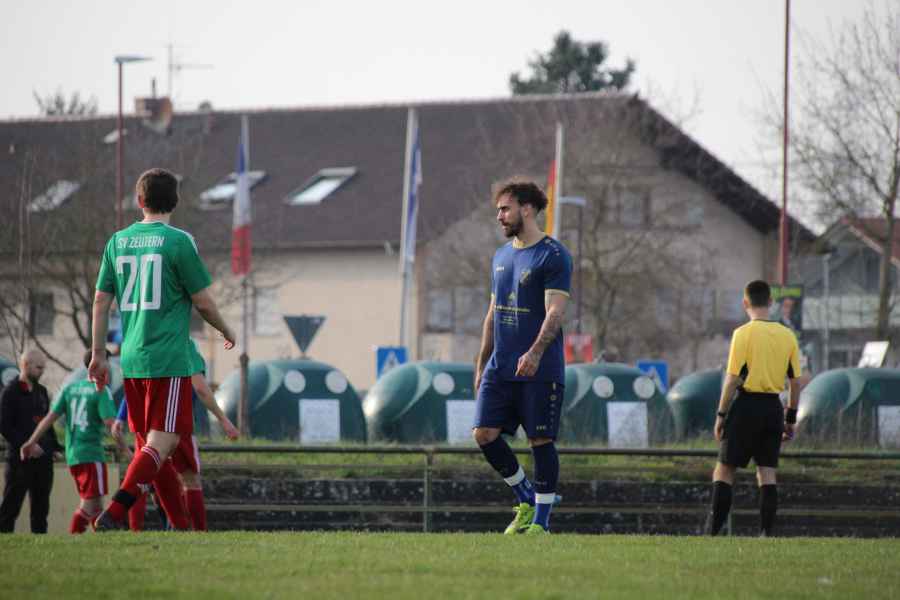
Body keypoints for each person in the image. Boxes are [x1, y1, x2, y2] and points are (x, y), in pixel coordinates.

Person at [89, 168, 236, 530]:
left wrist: (98, 355)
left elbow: (100, 302)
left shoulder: (117, 242)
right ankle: (115, 513)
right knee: (163, 441)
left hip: (131, 358)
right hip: (167, 357)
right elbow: (203, 302)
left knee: (152, 448)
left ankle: (180, 528)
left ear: (140, 201)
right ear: (175, 202)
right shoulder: (178, 242)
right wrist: (225, 328)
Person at [473, 180, 572, 535]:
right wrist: (481, 364)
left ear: (527, 209)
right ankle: (525, 497)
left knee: (540, 441)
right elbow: (491, 314)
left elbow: (555, 312)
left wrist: (535, 352)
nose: (499, 216)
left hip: (539, 368)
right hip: (500, 367)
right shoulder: (500, 256)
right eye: (499, 210)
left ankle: (541, 523)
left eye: (505, 209)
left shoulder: (553, 255)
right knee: (484, 434)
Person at [113, 339, 239, 531]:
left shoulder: (145, 342)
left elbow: (133, 385)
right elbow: (200, 388)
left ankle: (138, 527)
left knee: (147, 477)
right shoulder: (183, 345)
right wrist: (223, 419)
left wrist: (121, 417)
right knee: (190, 480)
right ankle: (197, 531)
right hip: (176, 421)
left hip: (147, 426)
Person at [708, 280, 801, 537]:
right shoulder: (787, 335)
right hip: (773, 408)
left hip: (746, 407)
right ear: (771, 302)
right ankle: (765, 534)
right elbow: (795, 382)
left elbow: (732, 379)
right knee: (767, 472)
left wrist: (721, 415)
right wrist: (790, 418)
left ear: (745, 303)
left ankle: (713, 532)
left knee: (724, 469)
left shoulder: (742, 334)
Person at [19, 350, 117, 534]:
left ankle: (102, 540)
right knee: (88, 504)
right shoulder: (101, 390)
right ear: (98, 364)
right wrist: (128, 451)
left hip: (74, 455)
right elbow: (112, 425)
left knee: (96, 504)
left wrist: (31, 441)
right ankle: (74, 537)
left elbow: (50, 417)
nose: (109, 368)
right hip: (91, 454)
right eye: (107, 363)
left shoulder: (70, 389)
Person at [0, 349, 61, 533]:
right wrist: (26, 445)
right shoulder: (10, 392)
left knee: (41, 508)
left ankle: (40, 541)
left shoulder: (42, 391)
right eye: (38, 367)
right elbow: (4, 426)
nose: (42, 371)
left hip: (43, 460)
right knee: (11, 506)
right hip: (20, 460)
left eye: (43, 368)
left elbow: (47, 423)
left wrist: (54, 447)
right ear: (25, 365)